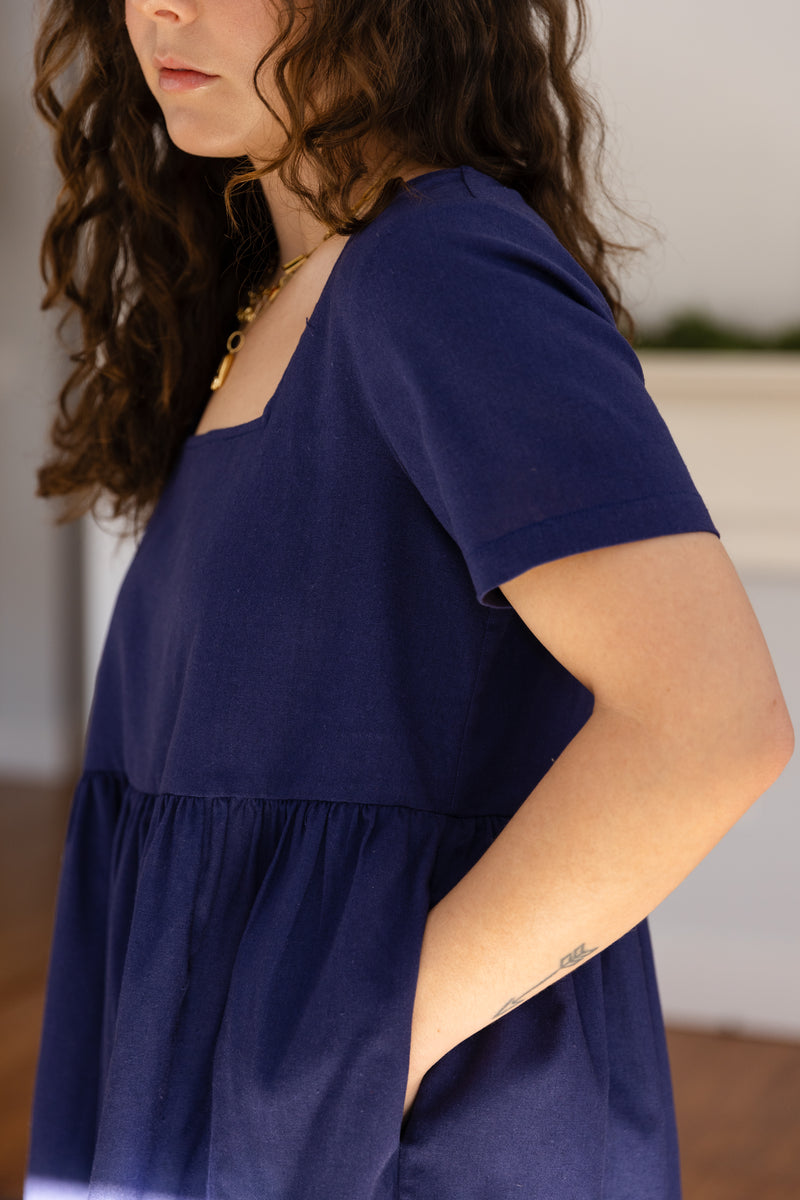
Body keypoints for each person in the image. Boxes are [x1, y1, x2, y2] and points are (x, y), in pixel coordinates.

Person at [26, 0, 793, 1197]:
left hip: (395, 1141)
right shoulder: (282, 291)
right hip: (241, 1089)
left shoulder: (437, 269)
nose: (163, 6)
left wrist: (348, 1061)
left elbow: (707, 728)